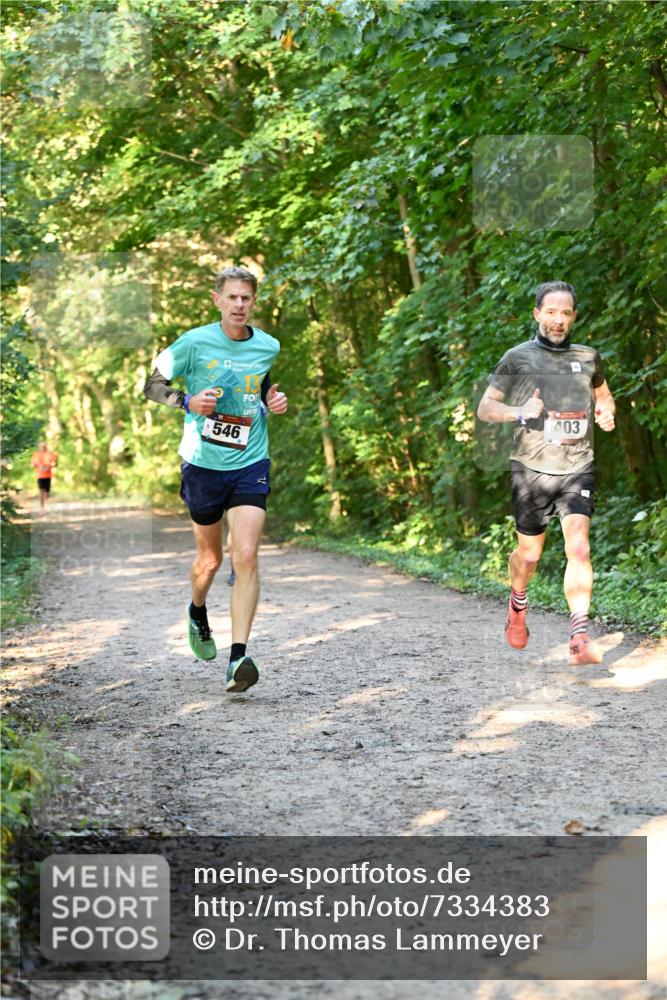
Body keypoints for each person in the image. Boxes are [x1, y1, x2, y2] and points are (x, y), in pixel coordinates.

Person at [144, 266, 288, 692]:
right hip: (203, 464)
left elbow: (258, 385)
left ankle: (237, 658)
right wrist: (187, 400)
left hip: (250, 460)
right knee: (209, 562)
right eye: (232, 297)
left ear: (254, 301)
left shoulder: (267, 345)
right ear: (217, 300)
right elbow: (151, 385)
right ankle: (197, 609)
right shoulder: (193, 342)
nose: (239, 305)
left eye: (246, 298)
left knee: (246, 555)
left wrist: (271, 400)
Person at [477, 281, 616, 666]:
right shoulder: (517, 358)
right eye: (551, 312)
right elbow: (486, 409)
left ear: (574, 317)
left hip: (577, 466)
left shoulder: (588, 357)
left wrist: (606, 411)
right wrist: (520, 412)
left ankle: (579, 637)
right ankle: (517, 603)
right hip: (531, 469)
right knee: (529, 555)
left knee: (579, 547)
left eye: (565, 313)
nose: (558, 320)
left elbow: (604, 395)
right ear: (537, 313)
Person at [31, 440, 58, 515]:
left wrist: (49, 466)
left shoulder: (50, 454)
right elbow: (32, 464)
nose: (42, 447)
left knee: (47, 492)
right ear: (39, 446)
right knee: (41, 491)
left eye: (44, 446)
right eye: (41, 446)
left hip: (48, 475)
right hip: (40, 475)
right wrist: (38, 466)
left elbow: (54, 463)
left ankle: (45, 505)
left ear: (46, 446)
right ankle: (42, 508)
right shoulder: (36, 454)